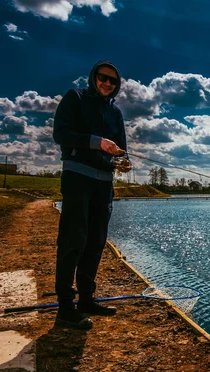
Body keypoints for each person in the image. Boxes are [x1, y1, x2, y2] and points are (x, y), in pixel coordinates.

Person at [52, 60, 131, 329]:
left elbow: (122, 149)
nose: (107, 83)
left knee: (96, 242)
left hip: (104, 184)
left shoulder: (116, 113)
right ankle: (65, 308)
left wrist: (123, 161)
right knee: (73, 241)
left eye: (113, 81)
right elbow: (60, 134)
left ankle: (86, 300)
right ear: (92, 77)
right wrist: (96, 142)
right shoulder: (75, 98)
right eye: (103, 78)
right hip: (77, 178)